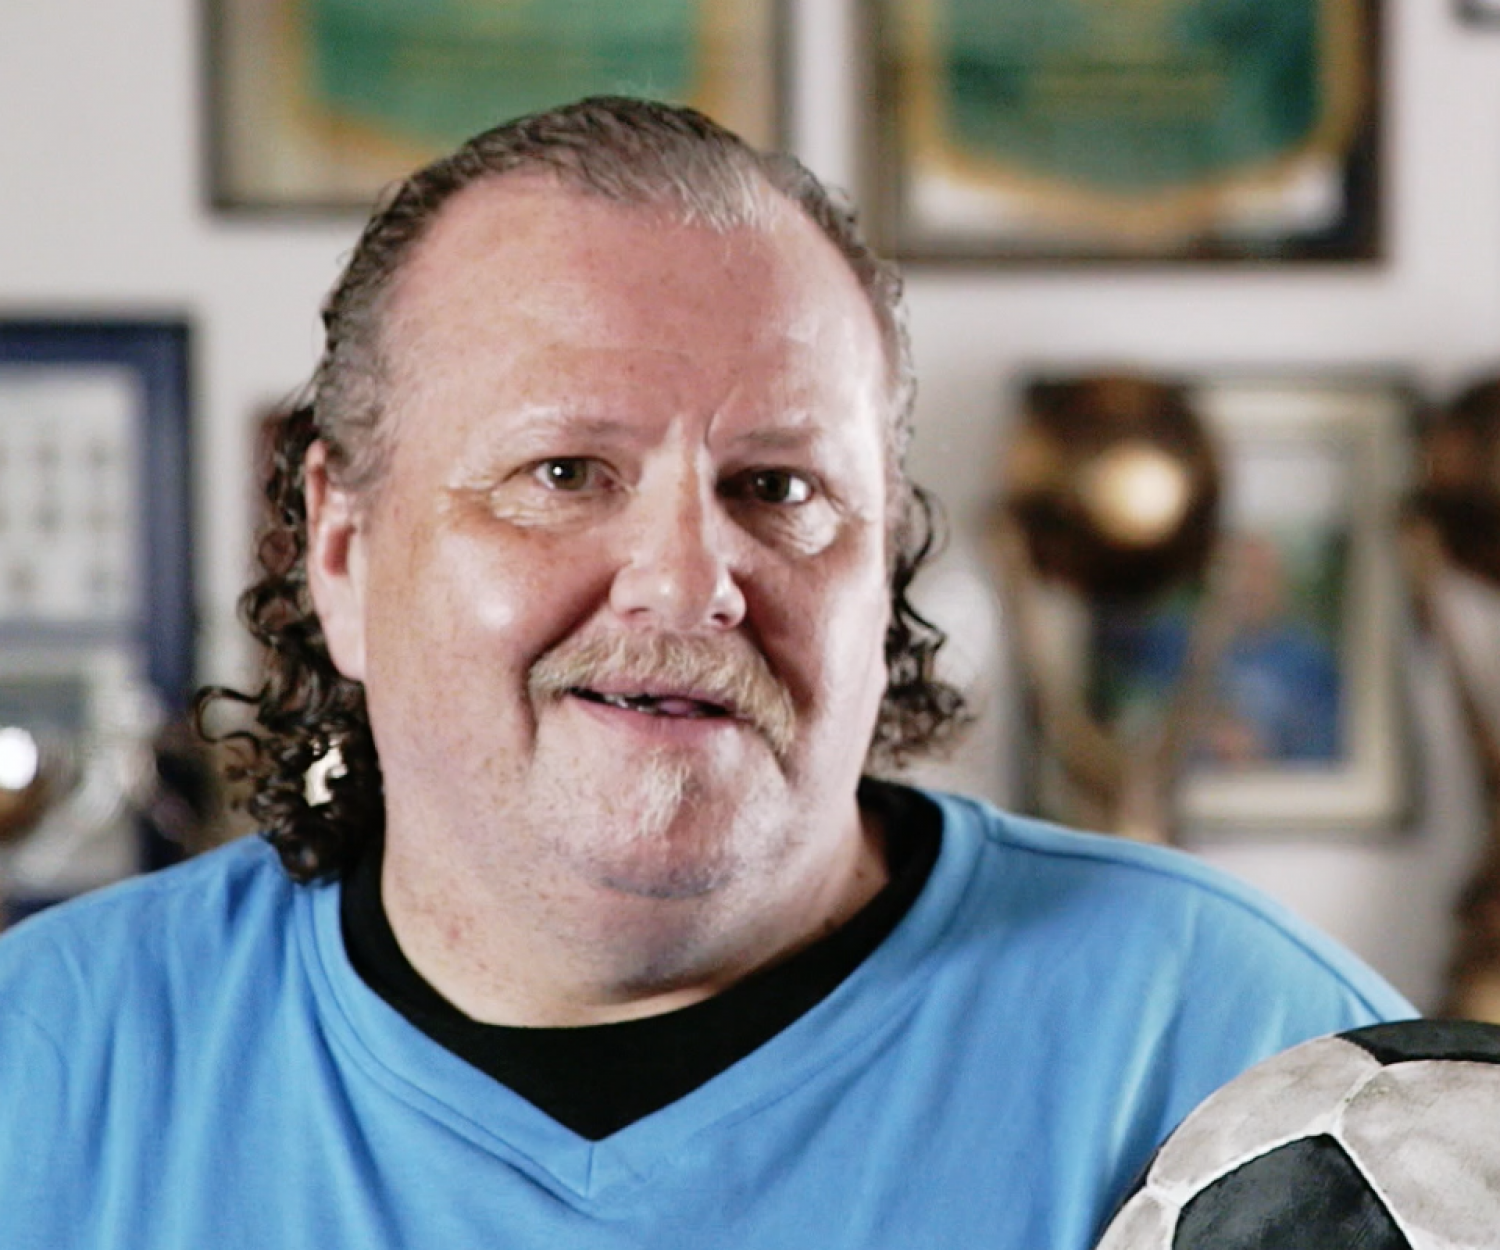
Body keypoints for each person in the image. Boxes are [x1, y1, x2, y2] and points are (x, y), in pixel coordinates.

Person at [0, 97, 1412, 1249]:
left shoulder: (1251, 1052)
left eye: (779, 486)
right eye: (564, 473)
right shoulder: (45, 1067)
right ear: (344, 549)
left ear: (885, 564)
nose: (686, 581)